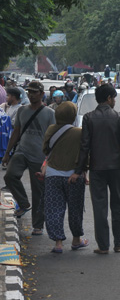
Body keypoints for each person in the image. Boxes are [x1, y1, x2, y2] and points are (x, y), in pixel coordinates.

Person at [73, 84, 120, 254]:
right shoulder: (119, 117)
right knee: (118, 206)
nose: (114, 101)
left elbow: (84, 147)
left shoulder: (88, 118)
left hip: (96, 169)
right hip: (116, 168)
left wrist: (79, 170)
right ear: (109, 98)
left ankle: (103, 246)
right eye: (114, 98)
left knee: (99, 208)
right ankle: (118, 243)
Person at [2, 81, 55, 235]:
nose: (31, 95)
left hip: (39, 155)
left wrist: (50, 158)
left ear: (41, 94)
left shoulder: (49, 113)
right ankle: (24, 203)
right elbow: (16, 132)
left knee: (39, 191)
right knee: (10, 176)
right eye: (29, 92)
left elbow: (53, 136)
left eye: (35, 92)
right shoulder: (22, 111)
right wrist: (7, 153)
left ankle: (38, 225)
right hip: (22, 151)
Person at [42, 102, 88, 253]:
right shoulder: (80, 132)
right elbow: (84, 154)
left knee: (54, 209)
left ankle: (58, 243)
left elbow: (45, 150)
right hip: (73, 176)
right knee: (75, 209)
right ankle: (76, 240)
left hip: (52, 175)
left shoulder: (50, 130)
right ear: (73, 115)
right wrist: (84, 171)